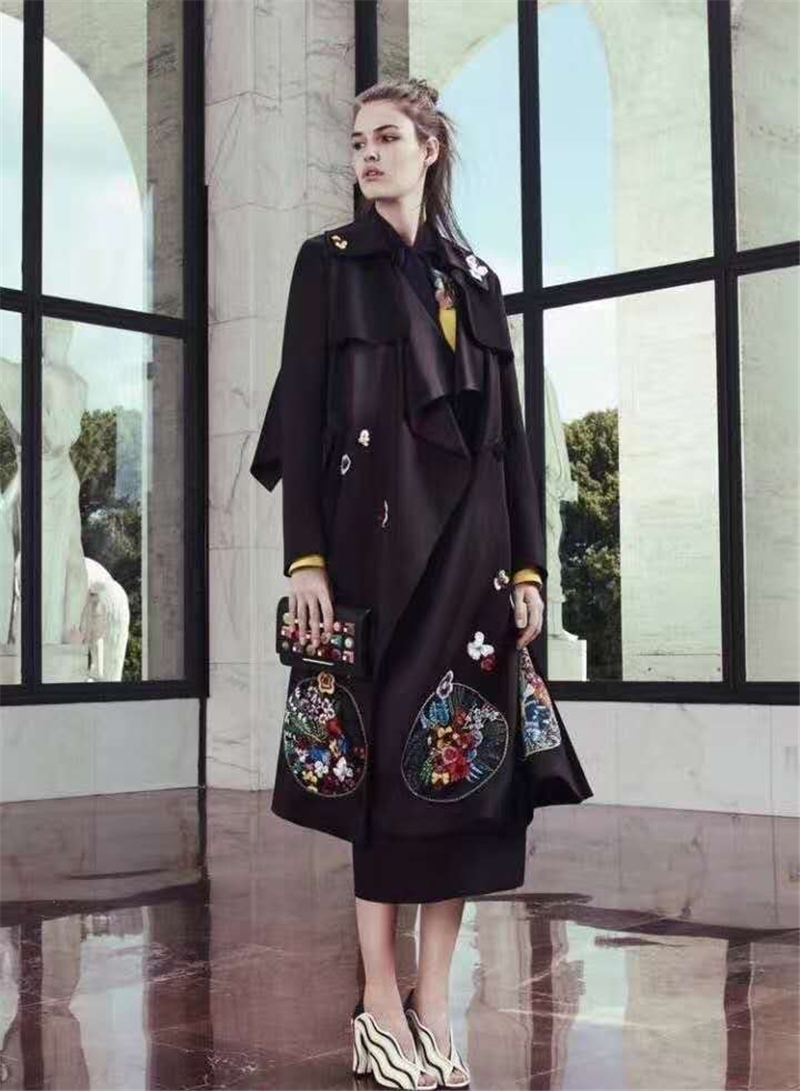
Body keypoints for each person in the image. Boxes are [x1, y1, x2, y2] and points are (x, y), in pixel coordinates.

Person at [250, 76, 593, 1090]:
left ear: (429, 148)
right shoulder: (328, 264)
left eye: (387, 137)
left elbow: (511, 439)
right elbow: (303, 413)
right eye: (358, 140)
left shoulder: (477, 279)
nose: (367, 154)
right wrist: (306, 559)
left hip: (476, 566)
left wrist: (527, 567)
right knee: (384, 791)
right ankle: (378, 1004)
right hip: (373, 562)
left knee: (465, 784)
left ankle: (434, 1004)